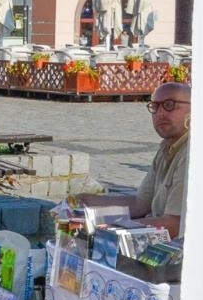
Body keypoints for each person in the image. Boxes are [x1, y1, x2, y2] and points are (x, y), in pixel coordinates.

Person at [76, 81, 190, 237]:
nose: (160, 113)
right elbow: (140, 203)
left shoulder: (191, 152)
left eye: (169, 105)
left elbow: (174, 225)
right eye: (155, 107)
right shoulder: (167, 147)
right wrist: (86, 202)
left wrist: (103, 228)